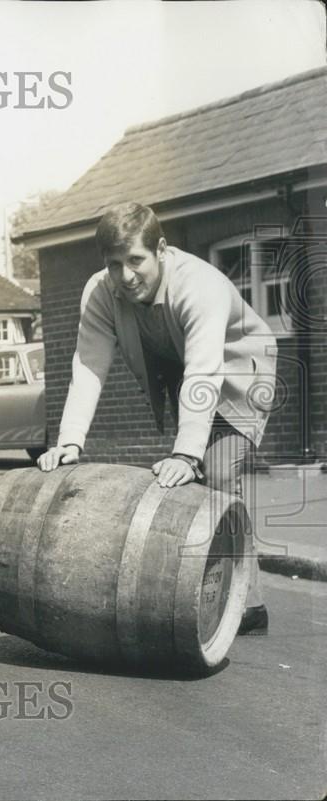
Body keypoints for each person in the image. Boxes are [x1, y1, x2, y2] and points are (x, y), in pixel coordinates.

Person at [37, 202, 277, 635]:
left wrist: (186, 454)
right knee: (197, 482)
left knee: (218, 474)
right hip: (190, 371)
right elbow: (89, 366)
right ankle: (227, 596)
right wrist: (70, 441)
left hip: (240, 371)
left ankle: (246, 605)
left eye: (135, 260)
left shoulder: (199, 285)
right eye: (114, 264)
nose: (125, 276)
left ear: (161, 250)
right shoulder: (100, 292)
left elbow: (205, 371)